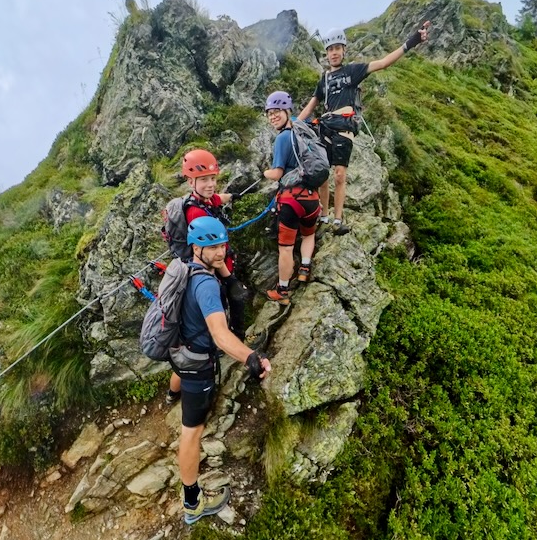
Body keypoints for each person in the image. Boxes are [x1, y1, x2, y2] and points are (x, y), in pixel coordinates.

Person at [174, 216, 270, 524]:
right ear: (196, 248)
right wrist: (251, 357)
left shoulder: (188, 267)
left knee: (182, 385)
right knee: (192, 432)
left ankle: (171, 394)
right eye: (212, 247)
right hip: (198, 366)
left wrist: (227, 275)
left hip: (182, 349)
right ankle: (192, 503)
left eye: (222, 245)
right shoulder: (205, 286)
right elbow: (219, 334)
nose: (220, 252)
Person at [297, 22, 432, 235]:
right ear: (327, 53)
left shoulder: (353, 71)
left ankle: (337, 220)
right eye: (330, 49)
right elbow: (311, 105)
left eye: (337, 48)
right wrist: (293, 125)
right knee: (322, 173)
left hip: (344, 127)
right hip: (325, 126)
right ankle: (323, 216)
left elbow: (383, 63)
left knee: (339, 175)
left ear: (344, 50)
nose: (334, 53)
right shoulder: (324, 80)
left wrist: (413, 40)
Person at [166, 149, 250, 405]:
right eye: (204, 180)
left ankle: (171, 394)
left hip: (205, 271)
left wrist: (231, 196)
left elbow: (215, 199)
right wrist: (230, 279)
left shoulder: (201, 200)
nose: (211, 184)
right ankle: (234, 341)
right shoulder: (197, 214)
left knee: (190, 343)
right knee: (216, 321)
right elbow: (212, 253)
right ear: (190, 181)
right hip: (211, 273)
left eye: (213, 178)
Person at [262, 91, 320, 305]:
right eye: (270, 113)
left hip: (291, 200)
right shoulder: (302, 131)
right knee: (308, 234)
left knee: (285, 248)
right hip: (312, 199)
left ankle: (283, 290)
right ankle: (304, 267)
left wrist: (264, 173)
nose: (273, 116)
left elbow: (277, 173)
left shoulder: (283, 138)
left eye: (277, 111)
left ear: (287, 111)